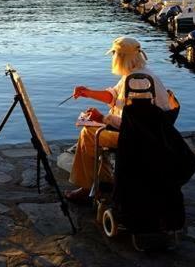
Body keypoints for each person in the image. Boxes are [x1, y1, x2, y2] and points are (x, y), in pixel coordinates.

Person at [65, 36, 172, 203]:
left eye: (114, 54)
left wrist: (102, 118)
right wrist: (88, 92)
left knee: (88, 134)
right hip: (148, 132)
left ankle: (88, 188)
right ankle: (103, 178)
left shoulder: (136, 82)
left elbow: (135, 124)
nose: (112, 58)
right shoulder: (138, 74)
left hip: (139, 137)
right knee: (92, 130)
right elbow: (113, 96)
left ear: (121, 57)